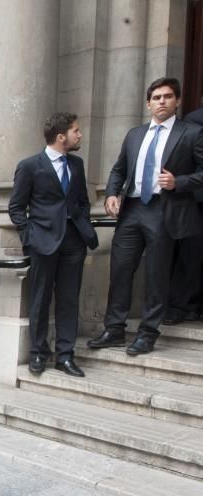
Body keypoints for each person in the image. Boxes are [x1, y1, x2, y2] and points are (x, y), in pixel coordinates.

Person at [89, 77, 203, 355]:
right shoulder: (135, 134)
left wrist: (180, 182)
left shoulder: (190, 133)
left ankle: (148, 333)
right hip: (132, 210)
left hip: (165, 209)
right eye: (156, 97)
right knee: (120, 269)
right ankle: (115, 328)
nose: (161, 101)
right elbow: (119, 170)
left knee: (156, 273)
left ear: (176, 101)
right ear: (148, 103)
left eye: (167, 96)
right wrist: (112, 194)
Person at [8, 112, 99, 377]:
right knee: (40, 299)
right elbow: (16, 208)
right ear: (61, 137)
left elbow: (82, 200)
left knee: (69, 300)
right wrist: (30, 237)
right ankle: (38, 353)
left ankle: (66, 355)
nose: (79, 135)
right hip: (43, 242)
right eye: (76, 131)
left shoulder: (77, 164)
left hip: (74, 242)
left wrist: (83, 224)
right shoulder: (29, 166)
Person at [165, 101, 203, 325]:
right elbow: (188, 162)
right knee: (191, 254)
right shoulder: (196, 120)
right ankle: (182, 305)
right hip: (197, 201)